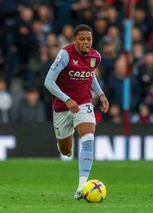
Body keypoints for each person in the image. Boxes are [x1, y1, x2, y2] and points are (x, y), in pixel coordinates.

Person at [44, 24, 109, 200]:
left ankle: (82, 188)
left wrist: (101, 94)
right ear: (74, 40)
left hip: (83, 103)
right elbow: (48, 82)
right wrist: (66, 99)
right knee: (65, 150)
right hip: (62, 107)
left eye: (89, 39)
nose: (86, 42)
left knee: (88, 138)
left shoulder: (96, 56)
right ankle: (65, 146)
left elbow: (90, 74)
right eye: (82, 39)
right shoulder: (65, 55)